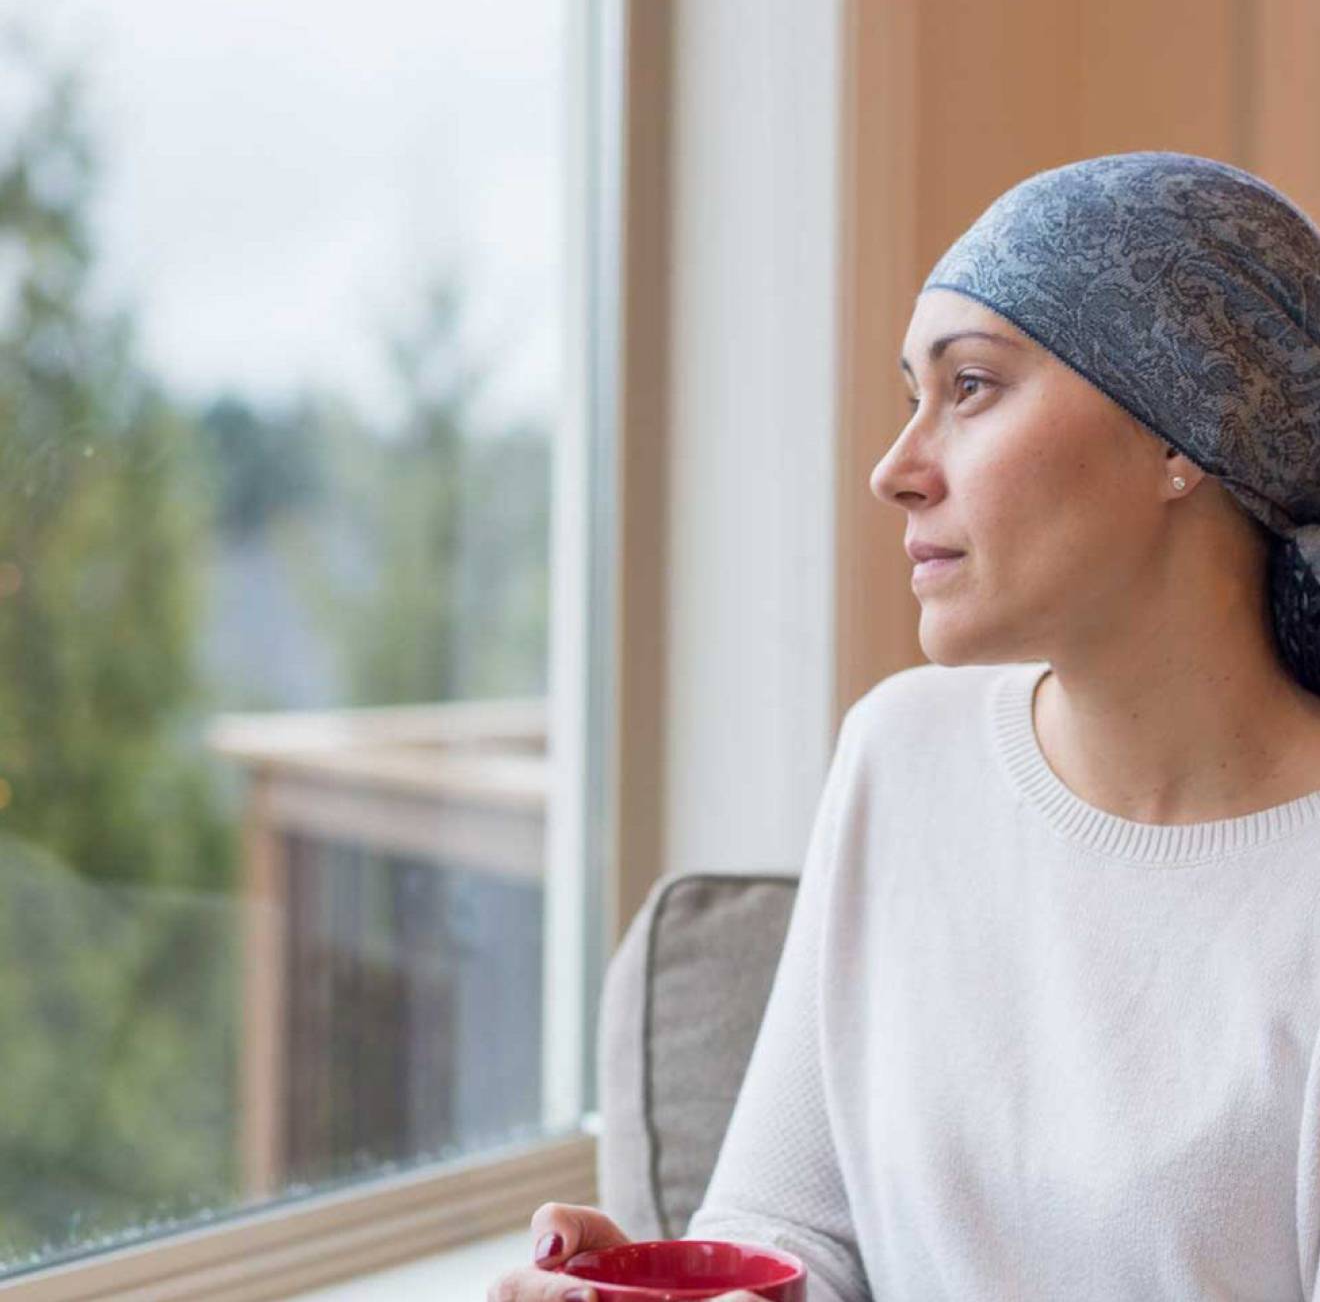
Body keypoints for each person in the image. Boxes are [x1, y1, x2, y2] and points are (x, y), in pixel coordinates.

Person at [489, 151, 1320, 1301]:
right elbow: (795, 1238)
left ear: (1188, 429)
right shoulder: (903, 754)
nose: (895, 469)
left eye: (971, 386)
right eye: (910, 396)